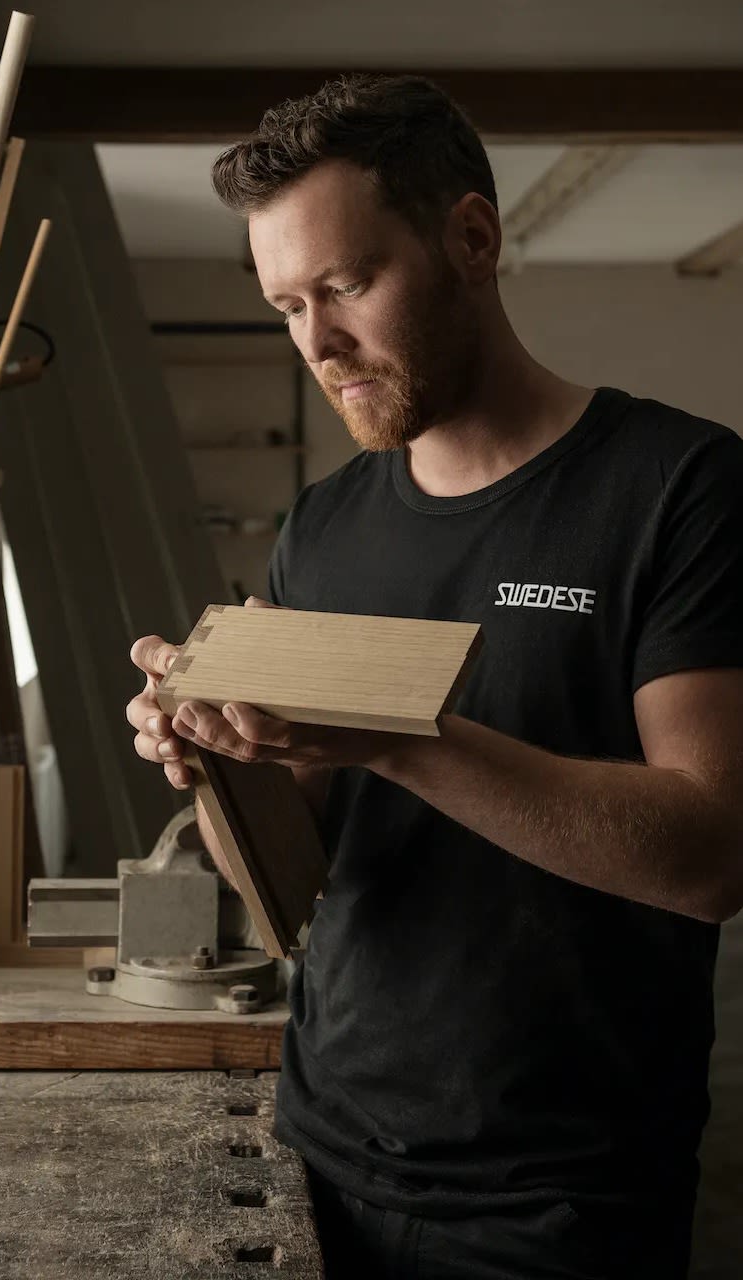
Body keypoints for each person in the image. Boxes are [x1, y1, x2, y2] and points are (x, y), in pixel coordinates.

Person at [126, 74, 743, 1279]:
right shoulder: (326, 522)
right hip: (319, 1138)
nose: (318, 342)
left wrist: (400, 735)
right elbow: (310, 831)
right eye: (287, 306)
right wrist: (213, 755)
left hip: (557, 1192)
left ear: (470, 236)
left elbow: (712, 855)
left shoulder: (681, 488)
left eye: (347, 285)